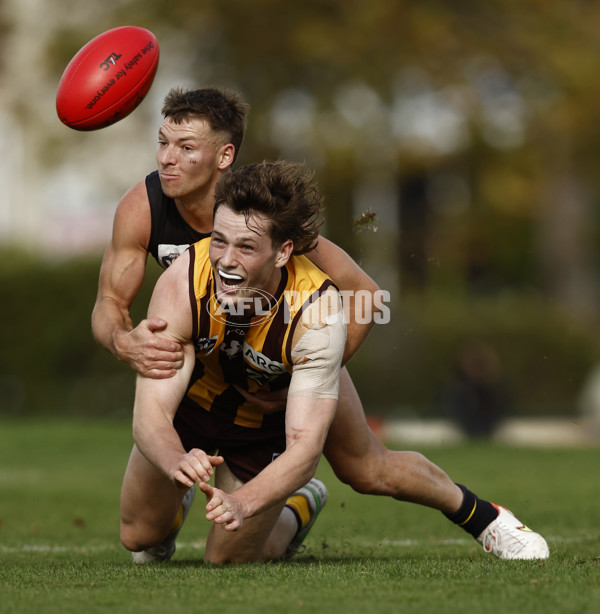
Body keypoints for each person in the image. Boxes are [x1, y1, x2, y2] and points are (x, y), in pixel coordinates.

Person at [93, 87, 549, 561]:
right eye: (163, 143)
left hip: (286, 352)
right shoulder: (152, 223)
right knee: (139, 536)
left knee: (367, 469)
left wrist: (301, 369)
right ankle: (175, 498)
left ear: (224, 155)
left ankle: (484, 517)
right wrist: (124, 342)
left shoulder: (273, 221)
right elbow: (108, 303)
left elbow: (368, 296)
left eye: (186, 148)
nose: (167, 159)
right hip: (204, 362)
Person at [121, 160, 345, 563]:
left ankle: (298, 507)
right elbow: (150, 410)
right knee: (137, 536)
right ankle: (180, 490)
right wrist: (175, 458)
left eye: (246, 247)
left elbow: (306, 447)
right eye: (219, 240)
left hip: (259, 429)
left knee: (227, 561)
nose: (225, 260)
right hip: (191, 410)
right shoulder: (184, 276)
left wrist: (245, 502)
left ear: (283, 252)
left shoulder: (319, 310)